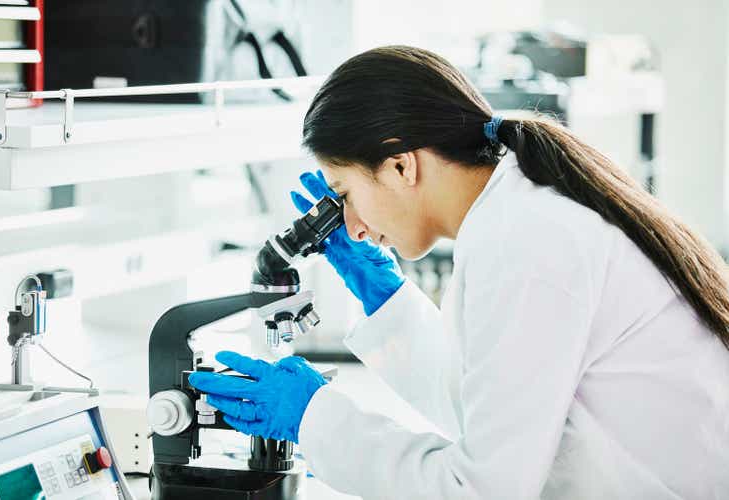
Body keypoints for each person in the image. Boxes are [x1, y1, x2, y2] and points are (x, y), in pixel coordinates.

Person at [188, 46, 729, 499]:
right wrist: (389, 303)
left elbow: (480, 490)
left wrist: (314, 417)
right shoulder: (520, 216)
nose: (350, 227)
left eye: (346, 194)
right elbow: (493, 418)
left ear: (401, 165)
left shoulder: (526, 241)